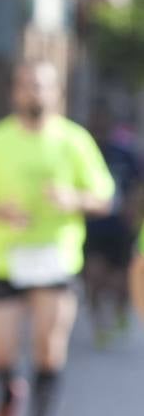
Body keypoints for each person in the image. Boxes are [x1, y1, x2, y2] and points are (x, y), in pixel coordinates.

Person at [0, 61, 114, 416]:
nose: (34, 93)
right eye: (26, 86)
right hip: (5, 260)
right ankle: (9, 391)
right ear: (14, 93)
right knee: (1, 352)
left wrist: (73, 199)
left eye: (41, 87)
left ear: (56, 93)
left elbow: (103, 197)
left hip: (56, 259)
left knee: (48, 348)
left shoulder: (74, 141)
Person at [83, 109, 139, 347]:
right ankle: (99, 325)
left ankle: (119, 309)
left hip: (121, 228)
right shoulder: (83, 153)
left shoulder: (124, 154)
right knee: (93, 277)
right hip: (93, 228)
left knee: (120, 281)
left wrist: (133, 209)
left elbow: (139, 184)